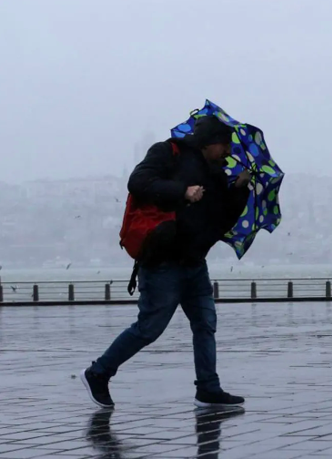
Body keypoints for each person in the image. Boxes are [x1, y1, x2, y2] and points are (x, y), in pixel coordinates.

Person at [81, 115, 250, 409]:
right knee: (150, 327)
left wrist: (238, 189)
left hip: (195, 263)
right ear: (210, 142)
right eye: (225, 145)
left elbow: (222, 221)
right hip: (163, 262)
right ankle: (99, 372)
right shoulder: (167, 152)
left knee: (205, 323)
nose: (228, 152)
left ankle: (208, 388)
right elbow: (138, 182)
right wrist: (182, 192)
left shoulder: (216, 174)